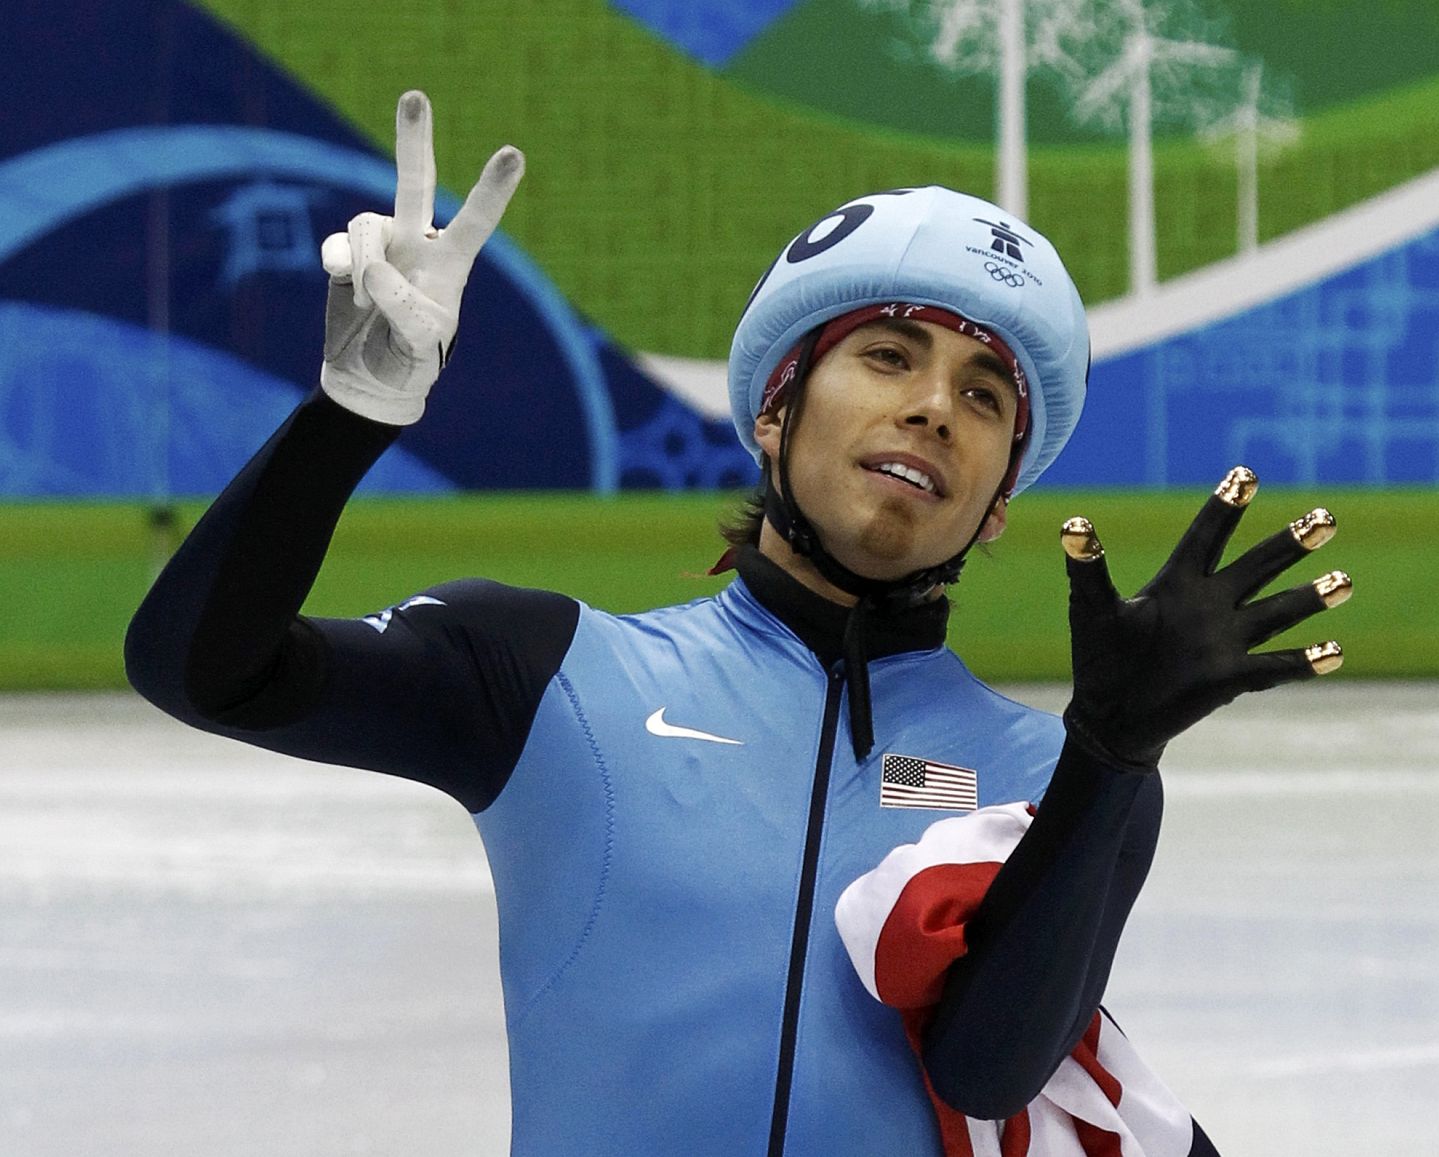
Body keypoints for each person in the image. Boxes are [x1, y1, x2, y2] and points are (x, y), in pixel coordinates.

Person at [125, 91, 1350, 1156]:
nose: (934, 407)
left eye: (984, 397)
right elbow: (201, 670)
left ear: (995, 508)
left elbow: (989, 1067)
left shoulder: (1048, 770)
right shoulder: (551, 674)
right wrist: (347, 417)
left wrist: (1110, 758)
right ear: (775, 410)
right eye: (888, 355)